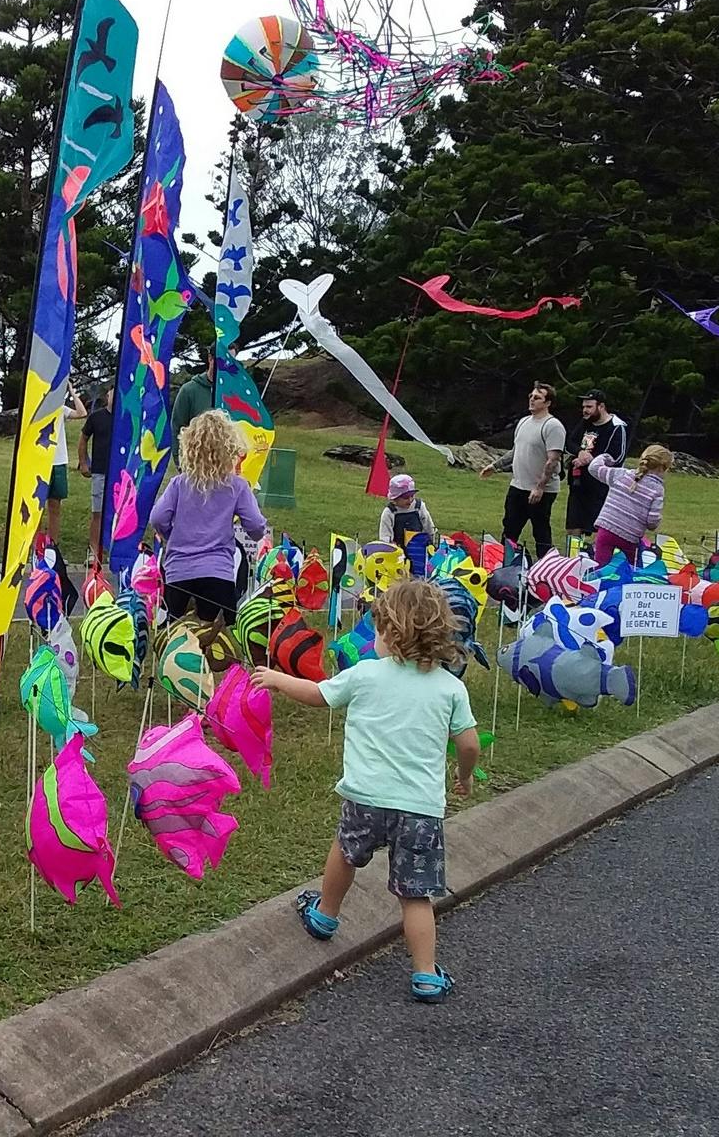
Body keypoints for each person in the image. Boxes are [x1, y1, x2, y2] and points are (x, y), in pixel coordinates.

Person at [252, 579, 479, 1003]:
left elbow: (319, 695)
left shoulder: (365, 674)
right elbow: (468, 743)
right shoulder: (451, 688)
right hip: (419, 812)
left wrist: (279, 680)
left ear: (391, 633)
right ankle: (426, 974)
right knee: (415, 895)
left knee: (345, 852)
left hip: (364, 799)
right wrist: (464, 776)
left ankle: (325, 914)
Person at [150, 409, 269, 624]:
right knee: (219, 646)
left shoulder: (179, 483)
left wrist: (172, 535)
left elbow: (157, 518)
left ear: (190, 447)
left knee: (176, 641)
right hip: (218, 574)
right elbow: (256, 526)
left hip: (179, 573)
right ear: (229, 447)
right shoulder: (237, 486)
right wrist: (255, 532)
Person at [479, 382, 566, 558]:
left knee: (540, 530)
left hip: (541, 490)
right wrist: (495, 466)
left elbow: (552, 460)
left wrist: (540, 487)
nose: (532, 400)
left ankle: (545, 568)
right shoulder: (524, 422)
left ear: (548, 403)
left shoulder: (553, 426)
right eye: (531, 396)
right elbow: (515, 450)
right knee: (510, 527)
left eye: (537, 398)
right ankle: (506, 565)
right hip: (518, 485)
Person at [586, 445, 670, 566]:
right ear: (663, 468)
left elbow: (593, 468)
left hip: (606, 530)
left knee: (600, 566)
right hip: (630, 537)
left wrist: (605, 457)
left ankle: (596, 583)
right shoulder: (657, 490)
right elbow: (652, 522)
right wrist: (657, 521)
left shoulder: (621, 474)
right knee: (633, 570)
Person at [565, 389, 629, 544]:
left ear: (601, 406)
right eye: (584, 407)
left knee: (598, 526)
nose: (585, 410)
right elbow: (569, 442)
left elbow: (617, 456)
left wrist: (590, 460)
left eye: (589, 407)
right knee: (573, 525)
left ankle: (596, 558)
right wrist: (580, 452)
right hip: (579, 482)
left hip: (601, 485)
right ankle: (573, 558)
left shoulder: (616, 427)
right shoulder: (585, 423)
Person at [78, 383, 114, 563]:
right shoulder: (96, 417)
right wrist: (83, 462)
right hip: (100, 470)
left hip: (120, 474)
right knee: (97, 512)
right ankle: (93, 551)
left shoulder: (126, 418)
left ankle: (114, 549)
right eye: (112, 393)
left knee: (119, 513)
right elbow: (83, 438)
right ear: (107, 395)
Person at [48, 383, 87, 545]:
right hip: (41, 462)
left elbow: (82, 413)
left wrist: (72, 391)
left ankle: (53, 544)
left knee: (55, 505)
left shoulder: (61, 409)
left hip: (58, 462)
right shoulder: (38, 409)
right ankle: (35, 544)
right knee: (35, 506)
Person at [169, 347, 216, 442]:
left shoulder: (236, 393)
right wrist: (178, 455)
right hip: (195, 455)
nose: (227, 365)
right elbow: (177, 429)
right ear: (210, 358)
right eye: (222, 359)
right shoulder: (188, 390)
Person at [377, 473, 436, 545]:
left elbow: (429, 527)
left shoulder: (419, 507)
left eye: (412, 496)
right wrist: (389, 545)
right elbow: (385, 536)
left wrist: (433, 542)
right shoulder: (389, 512)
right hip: (398, 551)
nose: (410, 499)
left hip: (419, 548)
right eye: (406, 497)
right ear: (395, 498)